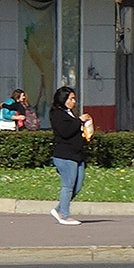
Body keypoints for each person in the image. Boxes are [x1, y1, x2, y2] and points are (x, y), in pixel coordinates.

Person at [49, 85, 88, 226]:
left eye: (74, 98)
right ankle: (64, 216)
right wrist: (79, 121)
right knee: (68, 185)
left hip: (77, 154)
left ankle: (59, 209)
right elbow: (65, 131)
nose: (74, 101)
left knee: (77, 185)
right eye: (71, 99)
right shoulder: (57, 113)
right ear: (63, 99)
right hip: (64, 155)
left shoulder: (71, 113)